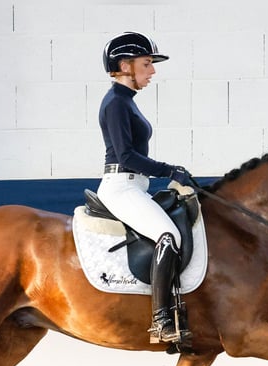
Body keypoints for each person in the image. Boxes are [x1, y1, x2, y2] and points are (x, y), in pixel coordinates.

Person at [98, 31, 193, 345]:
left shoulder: (126, 101)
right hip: (120, 187)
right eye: (147, 64)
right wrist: (170, 171)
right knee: (169, 236)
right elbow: (126, 155)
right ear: (125, 65)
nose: (152, 71)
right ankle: (161, 320)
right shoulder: (115, 103)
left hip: (135, 186)